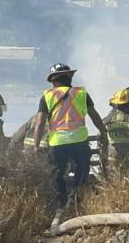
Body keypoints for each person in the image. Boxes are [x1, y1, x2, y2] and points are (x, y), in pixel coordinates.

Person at [33, 63, 108, 210]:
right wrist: (103, 132)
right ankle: (74, 201)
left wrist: (36, 146)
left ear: (53, 81)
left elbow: (40, 123)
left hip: (57, 142)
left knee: (56, 174)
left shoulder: (47, 96)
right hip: (79, 141)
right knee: (81, 171)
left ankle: (60, 204)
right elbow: (94, 116)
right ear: (70, 77)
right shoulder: (81, 94)